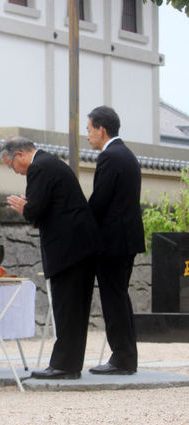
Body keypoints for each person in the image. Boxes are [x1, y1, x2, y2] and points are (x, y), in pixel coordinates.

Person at [2, 136, 100, 379]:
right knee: (75, 308)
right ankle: (69, 364)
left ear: (20, 155)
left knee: (67, 307)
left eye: (10, 165)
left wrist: (23, 207)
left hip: (68, 249)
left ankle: (63, 366)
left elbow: (36, 209)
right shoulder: (50, 163)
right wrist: (31, 206)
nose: (14, 171)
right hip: (82, 246)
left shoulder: (38, 167)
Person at [86, 106, 144, 375]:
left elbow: (100, 201)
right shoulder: (128, 155)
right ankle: (126, 357)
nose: (87, 136)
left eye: (89, 130)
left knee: (114, 299)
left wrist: (80, 222)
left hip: (112, 242)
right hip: (127, 239)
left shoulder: (110, 156)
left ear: (102, 129)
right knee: (120, 297)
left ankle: (122, 359)